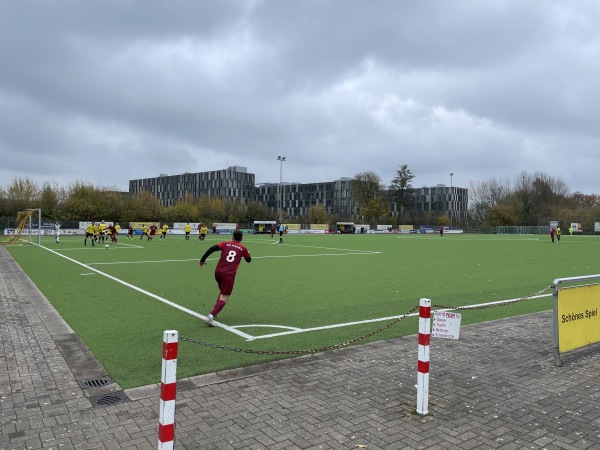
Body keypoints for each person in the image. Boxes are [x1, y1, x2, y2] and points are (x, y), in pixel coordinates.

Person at [199, 230, 251, 326]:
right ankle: (210, 317)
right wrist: (249, 254)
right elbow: (248, 260)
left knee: (222, 291)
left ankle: (215, 311)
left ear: (232, 237)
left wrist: (202, 259)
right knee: (224, 296)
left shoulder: (225, 243)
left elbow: (212, 248)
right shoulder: (243, 248)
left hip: (218, 272)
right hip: (228, 275)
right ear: (242, 239)